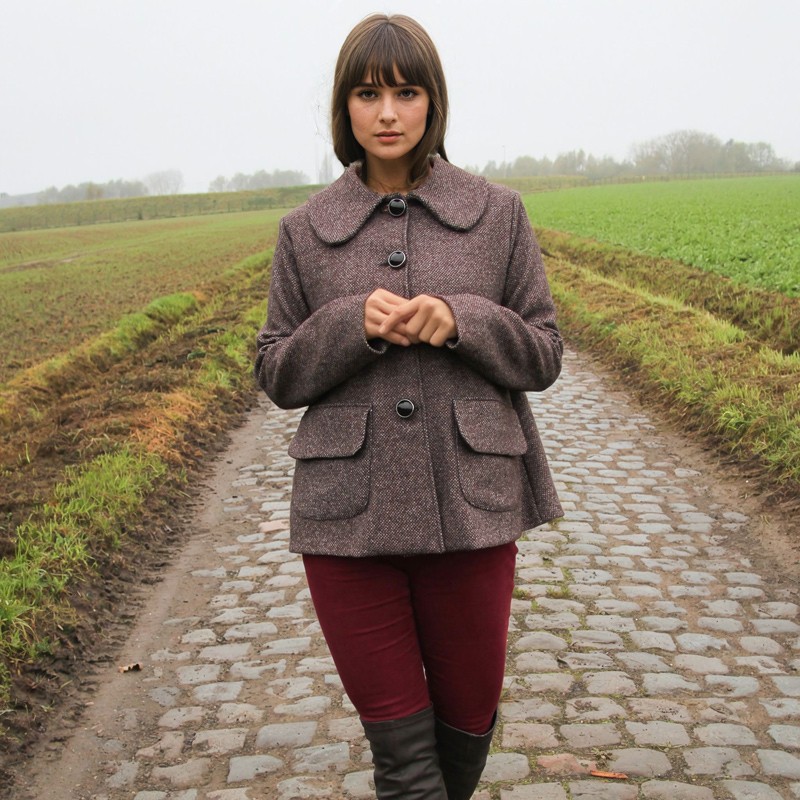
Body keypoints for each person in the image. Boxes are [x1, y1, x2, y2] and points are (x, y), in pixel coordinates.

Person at [255, 13, 563, 799]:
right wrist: (341, 325)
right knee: (406, 766)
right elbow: (276, 372)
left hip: (474, 509)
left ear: (434, 103)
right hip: (345, 521)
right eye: (367, 93)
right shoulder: (302, 233)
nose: (387, 113)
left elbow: (546, 354)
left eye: (405, 91)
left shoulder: (499, 214)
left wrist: (467, 319)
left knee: (464, 737)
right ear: (343, 109)